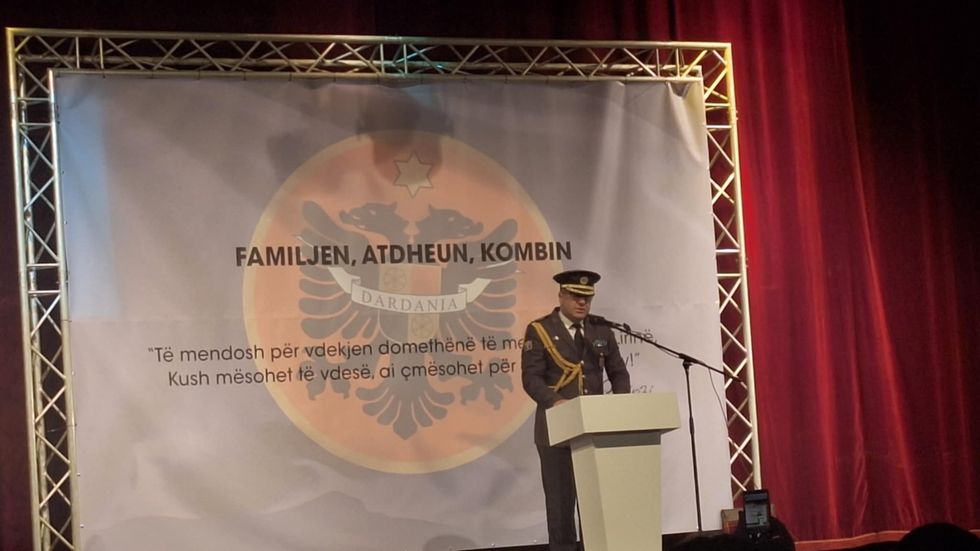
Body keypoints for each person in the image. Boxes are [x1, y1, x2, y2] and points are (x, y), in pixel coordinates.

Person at [521, 269, 632, 551]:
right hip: (556, 429)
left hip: (595, 428)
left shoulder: (600, 329)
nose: (582, 303)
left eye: (587, 298)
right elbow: (531, 378)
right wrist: (555, 401)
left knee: (597, 503)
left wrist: (620, 405)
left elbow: (618, 372)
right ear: (561, 296)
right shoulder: (541, 330)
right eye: (575, 296)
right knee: (561, 505)